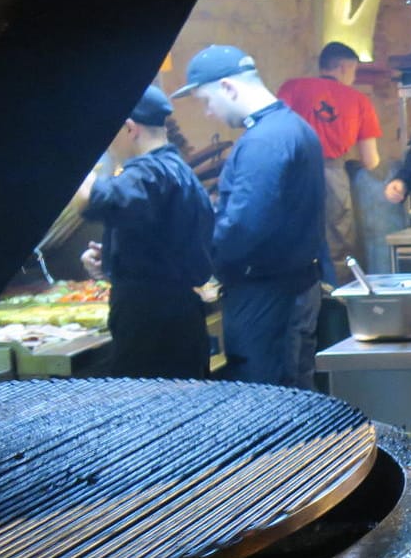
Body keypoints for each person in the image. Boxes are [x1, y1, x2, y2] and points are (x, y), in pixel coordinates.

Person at [174, 45, 328, 388]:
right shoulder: (291, 127)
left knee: (273, 400)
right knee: (294, 389)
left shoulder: (264, 141)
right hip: (291, 288)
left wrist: (198, 263)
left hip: (268, 296)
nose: (208, 113)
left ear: (228, 87)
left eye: (206, 101)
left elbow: (243, 226)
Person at [77, 84, 215, 378]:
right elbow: (162, 238)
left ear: (129, 128)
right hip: (177, 319)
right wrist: (114, 259)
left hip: (152, 329)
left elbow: (95, 200)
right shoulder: (175, 169)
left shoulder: (150, 172)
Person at [277, 41, 382, 273]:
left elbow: (275, 129)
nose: (353, 78)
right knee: (338, 242)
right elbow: (370, 159)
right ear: (343, 67)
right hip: (332, 176)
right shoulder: (358, 100)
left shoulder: (292, 87)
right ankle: (340, 301)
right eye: (354, 71)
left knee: (293, 237)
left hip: (290, 173)